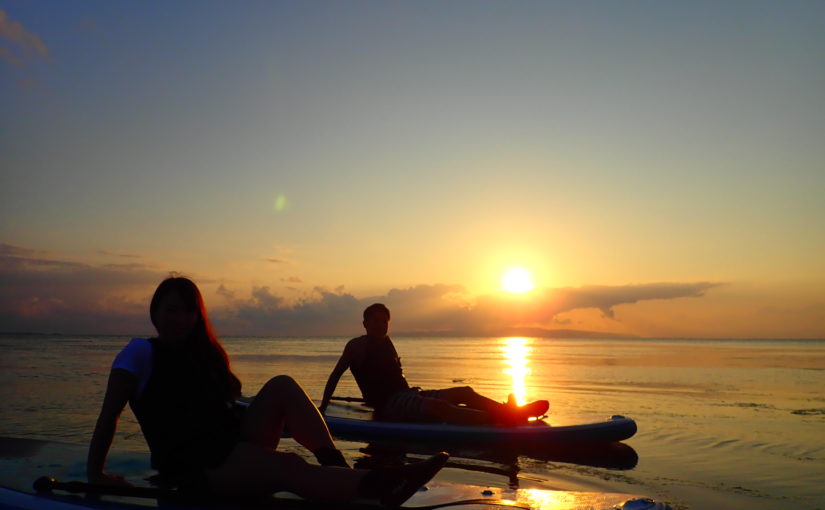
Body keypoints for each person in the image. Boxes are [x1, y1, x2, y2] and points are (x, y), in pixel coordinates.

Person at [87, 277, 448, 506]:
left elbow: (224, 407)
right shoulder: (140, 352)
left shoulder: (204, 355)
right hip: (196, 468)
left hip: (230, 444)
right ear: (156, 312)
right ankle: (376, 488)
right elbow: (109, 416)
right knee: (288, 465)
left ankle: (338, 469)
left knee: (282, 385)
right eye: (171, 310)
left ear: (197, 317)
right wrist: (95, 473)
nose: (178, 318)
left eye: (187, 311)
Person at [319, 303, 549, 426]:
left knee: (464, 392)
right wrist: (323, 408)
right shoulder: (356, 346)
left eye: (384, 321)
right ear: (365, 323)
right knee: (440, 409)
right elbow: (335, 375)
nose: (381, 325)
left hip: (407, 395)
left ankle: (510, 412)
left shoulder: (387, 342)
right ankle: (504, 418)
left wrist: (413, 396)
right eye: (375, 321)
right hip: (390, 405)